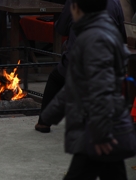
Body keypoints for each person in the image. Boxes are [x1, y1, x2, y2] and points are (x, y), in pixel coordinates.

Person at [40, 0, 134, 179]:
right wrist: (50, 114)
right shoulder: (104, 30)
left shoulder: (93, 39)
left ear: (76, 9)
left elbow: (101, 88)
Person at [35, 0, 127, 133]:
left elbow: (61, 29)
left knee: (56, 78)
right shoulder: (115, 3)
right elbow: (121, 34)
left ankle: (44, 123)